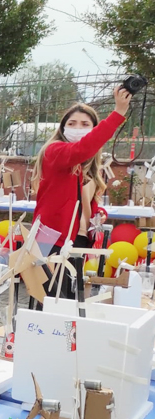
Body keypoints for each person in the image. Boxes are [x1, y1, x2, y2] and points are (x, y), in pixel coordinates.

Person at [32, 86, 131, 298]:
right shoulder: (56, 150)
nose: (78, 128)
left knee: (70, 298)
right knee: (51, 299)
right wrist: (118, 113)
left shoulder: (87, 165)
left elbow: (80, 200)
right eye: (72, 123)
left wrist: (97, 214)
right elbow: (82, 148)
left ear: (93, 128)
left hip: (77, 238)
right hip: (52, 238)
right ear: (62, 127)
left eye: (85, 124)